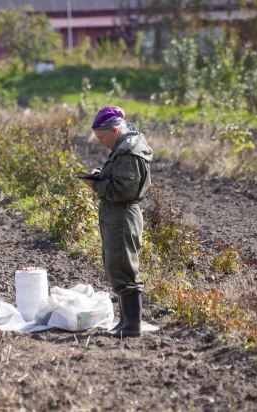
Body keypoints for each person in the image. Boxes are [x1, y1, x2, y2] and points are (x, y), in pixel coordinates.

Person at [83, 106, 153, 338]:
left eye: (102, 138)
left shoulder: (128, 152)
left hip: (122, 216)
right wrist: (102, 176)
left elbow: (124, 190)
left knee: (124, 268)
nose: (101, 143)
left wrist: (96, 185)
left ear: (114, 130)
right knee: (117, 265)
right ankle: (125, 322)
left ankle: (132, 326)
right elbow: (120, 182)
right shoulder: (125, 148)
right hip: (117, 215)